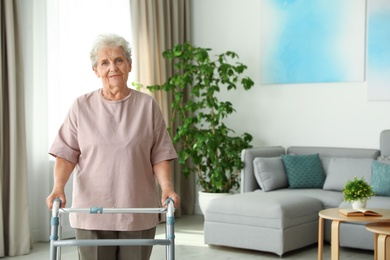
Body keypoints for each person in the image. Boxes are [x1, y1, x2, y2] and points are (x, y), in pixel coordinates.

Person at [46, 33, 180, 260]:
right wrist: (58, 187)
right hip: (91, 213)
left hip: (137, 209)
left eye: (119, 60)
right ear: (96, 71)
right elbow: (66, 153)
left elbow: (159, 154)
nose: (112, 68)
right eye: (104, 63)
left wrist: (166, 187)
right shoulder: (81, 106)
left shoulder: (147, 105)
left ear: (129, 65)